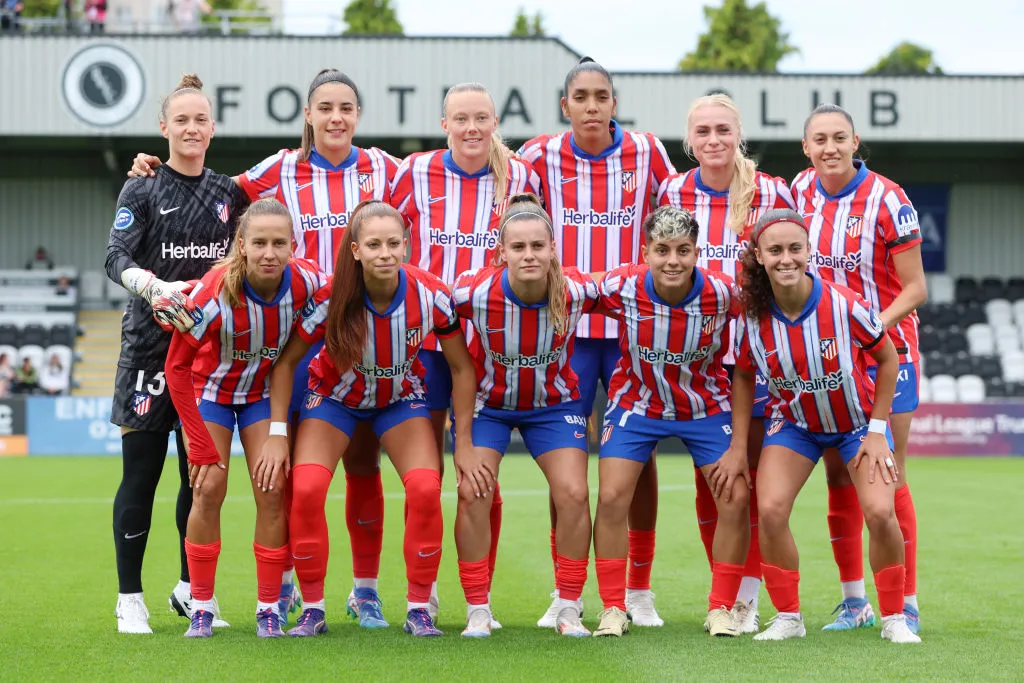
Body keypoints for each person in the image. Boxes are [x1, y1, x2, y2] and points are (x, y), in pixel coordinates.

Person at [130, 68, 399, 625]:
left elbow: (445, 178)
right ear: (308, 114)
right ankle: (232, 599)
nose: (336, 117)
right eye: (324, 107)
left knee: (328, 473)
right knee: (235, 485)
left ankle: (323, 595)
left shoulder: (386, 169)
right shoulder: (276, 172)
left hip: (331, 342)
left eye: (346, 108)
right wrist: (153, 172)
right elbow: (216, 188)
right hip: (251, 369)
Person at [260, 200, 477, 638]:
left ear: (406, 246)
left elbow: (462, 368)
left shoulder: (430, 294)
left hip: (399, 400)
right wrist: (278, 432)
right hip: (334, 400)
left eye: (394, 243)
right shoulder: (331, 297)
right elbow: (285, 365)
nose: (385, 253)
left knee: (424, 487)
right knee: (305, 489)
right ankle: (314, 609)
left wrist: (465, 440)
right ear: (356, 250)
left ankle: (418, 608)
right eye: (374, 244)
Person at [517, 56, 677, 627]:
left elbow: (672, 231)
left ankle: (638, 589)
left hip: (633, 329)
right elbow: (516, 231)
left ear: (614, 103)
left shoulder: (648, 152)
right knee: (568, 464)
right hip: (566, 332)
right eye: (580, 96)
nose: (590, 105)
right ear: (565, 106)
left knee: (640, 456)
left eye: (600, 96)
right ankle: (566, 595)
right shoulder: (537, 157)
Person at [386, 82, 540, 626]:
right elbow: (373, 223)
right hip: (425, 343)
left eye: (481, 117)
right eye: (460, 118)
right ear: (444, 122)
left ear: (495, 121)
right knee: (424, 477)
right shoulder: (413, 171)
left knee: (481, 477)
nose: (471, 128)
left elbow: (531, 244)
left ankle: (481, 598)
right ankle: (421, 594)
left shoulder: (521, 176)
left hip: (489, 344)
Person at [731, 208, 920, 644]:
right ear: (759, 256)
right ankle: (789, 617)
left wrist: (876, 430)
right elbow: (742, 374)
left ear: (809, 251)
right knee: (771, 510)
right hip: (795, 425)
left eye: (795, 249)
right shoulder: (751, 315)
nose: (786, 259)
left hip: (856, 426)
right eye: (774, 250)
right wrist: (740, 446)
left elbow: (889, 360)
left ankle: (893, 617)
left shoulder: (843, 304)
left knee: (879, 511)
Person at [106, 73, 247, 634]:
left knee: (201, 481)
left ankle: (191, 590)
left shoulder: (230, 193)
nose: (191, 128)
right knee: (141, 476)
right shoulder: (141, 188)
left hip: (208, 355)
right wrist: (153, 286)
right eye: (180, 120)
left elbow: (256, 245)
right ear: (164, 128)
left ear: (213, 128)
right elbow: (114, 255)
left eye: (200, 119)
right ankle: (129, 597)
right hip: (147, 353)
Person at [657, 93, 796, 633]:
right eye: (703, 131)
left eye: (723, 129)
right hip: (696, 358)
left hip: (758, 355)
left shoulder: (772, 193)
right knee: (710, 484)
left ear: (740, 135)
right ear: (689, 142)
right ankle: (725, 591)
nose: (713, 140)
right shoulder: (672, 191)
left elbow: (786, 267)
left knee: (753, 483)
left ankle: (748, 599)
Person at [165, 199, 330, 638]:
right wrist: (197, 441)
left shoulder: (308, 281)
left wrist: (279, 432)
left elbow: (348, 292)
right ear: (241, 245)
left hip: (261, 394)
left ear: (294, 245)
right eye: (259, 242)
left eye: (279, 243)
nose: (269, 253)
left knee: (272, 488)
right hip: (211, 392)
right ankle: (200, 605)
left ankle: (268, 607)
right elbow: (176, 370)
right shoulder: (213, 292)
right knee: (208, 488)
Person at [792, 104, 927, 634]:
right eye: (820, 139)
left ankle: (907, 600)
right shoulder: (798, 193)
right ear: (806, 147)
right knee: (838, 476)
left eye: (839, 138)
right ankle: (855, 602)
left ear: (856, 141)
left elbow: (915, 288)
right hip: (825, 359)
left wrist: (864, 325)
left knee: (888, 478)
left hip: (888, 351)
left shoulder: (889, 199)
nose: (830, 147)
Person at [592, 206, 750, 638]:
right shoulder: (620, 286)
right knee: (610, 498)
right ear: (646, 252)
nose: (672, 261)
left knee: (735, 497)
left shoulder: (723, 294)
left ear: (697, 252)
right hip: (636, 407)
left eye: (682, 250)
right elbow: (566, 289)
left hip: (706, 408)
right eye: (661, 250)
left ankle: (722, 608)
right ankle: (612, 607)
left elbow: (765, 314)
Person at [451, 195, 599, 639]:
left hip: (554, 406)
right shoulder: (471, 292)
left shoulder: (579, 291)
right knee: (472, 491)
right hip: (489, 407)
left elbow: (636, 299)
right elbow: (427, 316)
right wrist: (456, 430)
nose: (529, 254)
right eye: (518, 247)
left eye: (538, 245)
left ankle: (569, 605)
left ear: (554, 249)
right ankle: (478, 608)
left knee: (573, 492)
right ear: (502, 253)